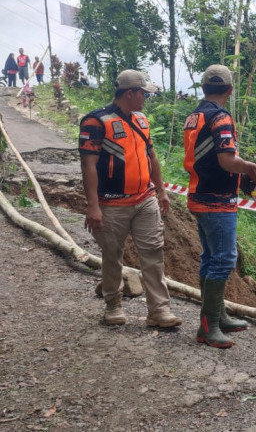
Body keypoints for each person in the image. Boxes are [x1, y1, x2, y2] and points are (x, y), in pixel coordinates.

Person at [79, 69, 182, 328]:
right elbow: (88, 165)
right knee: (112, 255)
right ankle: (113, 305)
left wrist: (161, 190)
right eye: (143, 93)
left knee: (153, 253)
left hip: (145, 199)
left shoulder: (141, 120)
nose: (146, 97)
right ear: (130, 93)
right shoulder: (96, 122)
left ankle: (159, 310)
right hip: (111, 203)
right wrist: (93, 206)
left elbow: (152, 157)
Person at [183, 64, 256, 349]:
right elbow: (227, 161)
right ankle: (209, 326)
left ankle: (218, 315)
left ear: (204, 87)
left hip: (199, 194)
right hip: (217, 199)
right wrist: (250, 167)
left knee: (210, 257)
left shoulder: (194, 116)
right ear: (229, 90)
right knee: (223, 259)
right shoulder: (220, 118)